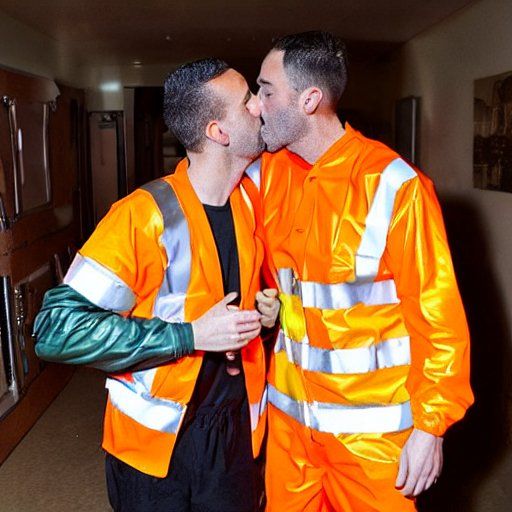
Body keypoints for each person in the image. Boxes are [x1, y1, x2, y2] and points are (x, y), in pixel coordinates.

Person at [34, 58, 279, 512]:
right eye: (248, 101)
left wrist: (267, 319)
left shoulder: (251, 202)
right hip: (153, 454)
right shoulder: (143, 214)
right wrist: (189, 336)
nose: (260, 107)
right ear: (218, 132)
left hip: (234, 440)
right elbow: (57, 330)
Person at [246, 31, 473, 511]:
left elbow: (438, 319)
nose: (255, 104)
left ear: (309, 100)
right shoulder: (271, 175)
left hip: (372, 441)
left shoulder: (394, 185)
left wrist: (430, 428)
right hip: (292, 432)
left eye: (265, 91)